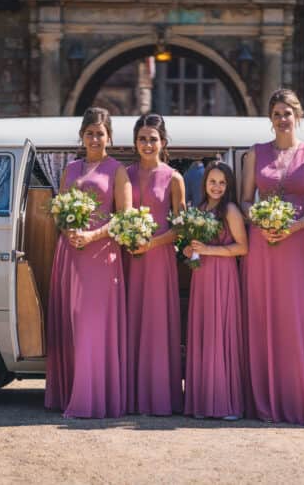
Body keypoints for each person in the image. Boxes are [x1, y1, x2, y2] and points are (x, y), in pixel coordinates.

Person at [240, 88, 304, 424]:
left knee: (296, 318)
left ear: (298, 115)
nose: (282, 119)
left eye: (287, 113)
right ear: (270, 119)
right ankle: (264, 400)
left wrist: (294, 226)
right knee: (265, 317)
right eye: (276, 114)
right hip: (263, 246)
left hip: (299, 246)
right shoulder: (255, 153)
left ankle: (298, 400)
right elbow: (246, 200)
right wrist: (261, 220)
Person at [44, 107, 131, 418]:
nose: (95, 138)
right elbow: (60, 209)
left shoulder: (117, 170)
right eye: (90, 133)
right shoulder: (71, 169)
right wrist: (70, 231)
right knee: (72, 323)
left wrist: (92, 236)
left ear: (109, 137)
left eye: (101, 133)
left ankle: (94, 397)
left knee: (92, 325)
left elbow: (125, 217)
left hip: (101, 255)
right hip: (70, 253)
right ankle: (69, 392)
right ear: (82, 136)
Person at [125, 113, 185, 415]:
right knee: (132, 319)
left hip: (160, 259)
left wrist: (153, 242)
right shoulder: (124, 174)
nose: (148, 144)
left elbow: (181, 227)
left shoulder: (174, 178)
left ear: (163, 143)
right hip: (130, 259)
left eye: (153, 139)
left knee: (158, 322)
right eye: (142, 139)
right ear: (135, 142)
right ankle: (131, 395)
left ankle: (160, 396)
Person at [183, 161, 248, 420]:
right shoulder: (199, 209)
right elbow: (196, 246)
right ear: (205, 183)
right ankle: (202, 402)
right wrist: (191, 250)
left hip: (223, 275)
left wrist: (209, 250)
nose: (217, 187)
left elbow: (243, 247)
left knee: (221, 332)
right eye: (213, 181)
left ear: (228, 185)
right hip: (202, 276)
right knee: (204, 332)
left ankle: (226, 403)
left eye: (222, 182)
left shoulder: (230, 210)